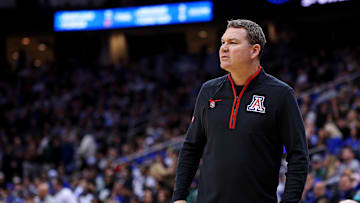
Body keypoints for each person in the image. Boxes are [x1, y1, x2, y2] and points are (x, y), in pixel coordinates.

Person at [172, 19, 309, 203]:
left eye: (233, 43)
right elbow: (191, 147)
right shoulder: (208, 90)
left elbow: (298, 154)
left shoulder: (281, 94)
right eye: (223, 42)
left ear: (254, 50)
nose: (223, 48)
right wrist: (179, 197)